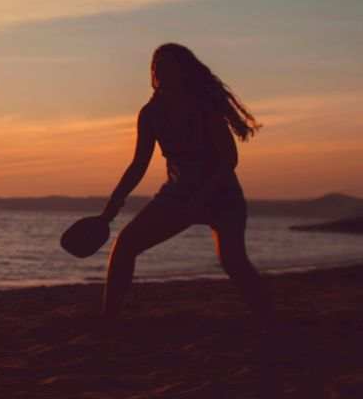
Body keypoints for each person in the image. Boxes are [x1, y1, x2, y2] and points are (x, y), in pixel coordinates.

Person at [98, 43, 272, 319]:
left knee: (234, 262)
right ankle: (109, 320)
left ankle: (269, 318)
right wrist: (111, 208)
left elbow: (229, 159)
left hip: (221, 192)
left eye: (167, 65)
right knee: (125, 246)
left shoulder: (204, 108)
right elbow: (138, 165)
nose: (160, 71)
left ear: (183, 71)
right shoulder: (151, 114)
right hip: (178, 194)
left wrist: (203, 197)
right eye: (156, 66)